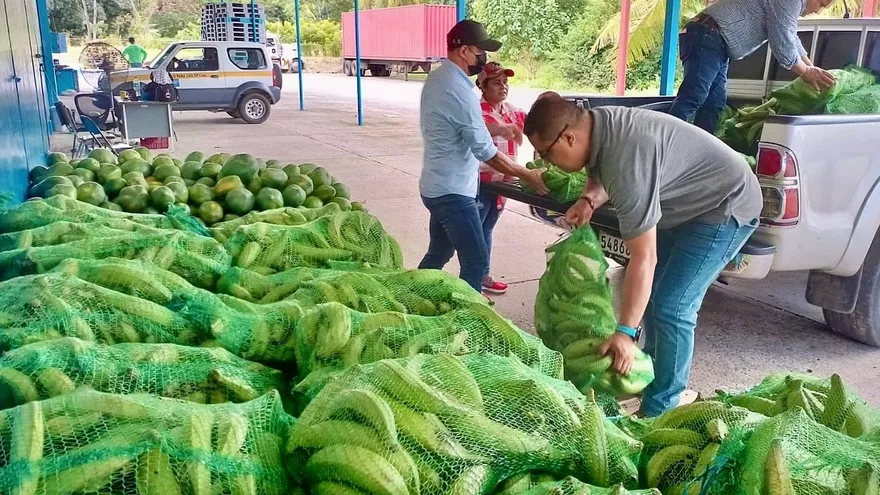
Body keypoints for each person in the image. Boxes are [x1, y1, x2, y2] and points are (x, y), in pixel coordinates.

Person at [523, 92, 762, 417]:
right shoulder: (595, 125)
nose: (546, 163)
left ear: (568, 138)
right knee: (650, 299)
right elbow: (596, 170)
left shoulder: (626, 162)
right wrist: (589, 199)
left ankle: (660, 408)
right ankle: (650, 376)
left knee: (673, 306)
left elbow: (643, 259)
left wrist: (625, 333)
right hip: (683, 204)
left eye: (546, 153)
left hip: (724, 204)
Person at [418, 20, 547, 293]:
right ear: (464, 51)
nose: (484, 57)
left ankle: (410, 296)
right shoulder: (458, 91)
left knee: (439, 253)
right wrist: (526, 174)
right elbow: (485, 151)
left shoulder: (438, 78)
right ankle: (469, 315)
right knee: (475, 262)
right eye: (481, 51)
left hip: (436, 185)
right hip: (453, 193)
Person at [669, 0, 836, 133]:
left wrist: (812, 68)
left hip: (717, 42)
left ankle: (699, 153)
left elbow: (791, 38)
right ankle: (661, 144)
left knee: (714, 104)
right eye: (821, 3)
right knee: (695, 94)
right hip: (708, 34)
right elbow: (782, 42)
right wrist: (806, 71)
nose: (818, 10)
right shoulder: (791, 1)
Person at [475, 62, 527, 295]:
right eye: (496, 83)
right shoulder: (476, 111)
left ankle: (483, 276)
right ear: (482, 86)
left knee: (486, 229)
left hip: (503, 185)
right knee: (476, 232)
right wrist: (501, 129)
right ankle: (473, 281)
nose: (503, 87)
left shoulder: (511, 111)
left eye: (505, 82)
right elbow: (479, 127)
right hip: (482, 183)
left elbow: (535, 122)